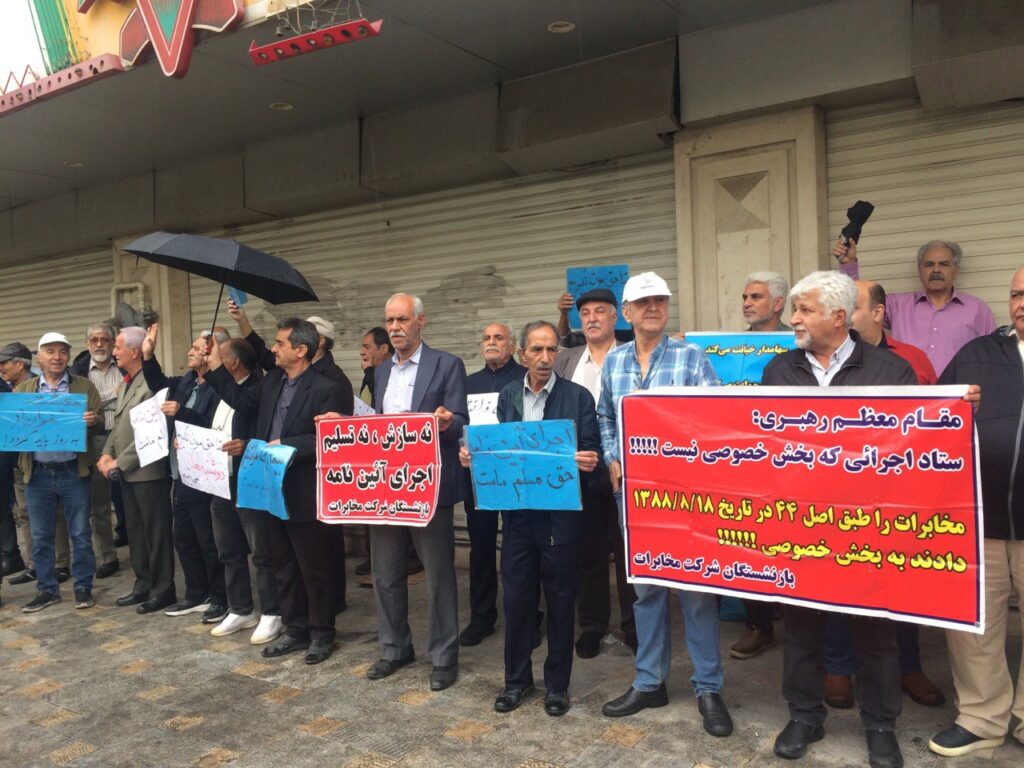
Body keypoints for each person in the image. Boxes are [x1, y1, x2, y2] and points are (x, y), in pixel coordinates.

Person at [762, 270, 917, 768]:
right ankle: (805, 716)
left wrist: (959, 406)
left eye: (804, 310)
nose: (794, 318)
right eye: (795, 309)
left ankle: (880, 725)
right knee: (801, 626)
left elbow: (913, 448)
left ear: (838, 316)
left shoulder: (891, 372)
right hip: (800, 525)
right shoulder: (778, 371)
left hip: (867, 528)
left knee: (875, 631)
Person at [597, 271, 732, 738]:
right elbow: (605, 415)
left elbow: (715, 418)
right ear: (627, 313)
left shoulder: (691, 358)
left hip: (684, 497)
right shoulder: (614, 362)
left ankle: (708, 688)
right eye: (643, 302)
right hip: (634, 497)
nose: (653, 307)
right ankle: (649, 682)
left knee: (696, 592)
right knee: (647, 591)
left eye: (660, 300)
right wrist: (612, 458)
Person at [461, 320, 600, 716]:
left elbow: (591, 448)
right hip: (518, 518)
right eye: (537, 350)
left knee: (560, 602)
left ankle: (557, 686)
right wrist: (472, 456)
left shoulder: (578, 397)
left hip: (559, 519)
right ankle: (516, 682)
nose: (545, 358)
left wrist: (587, 460)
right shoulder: (508, 396)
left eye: (552, 349)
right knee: (518, 602)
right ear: (522, 354)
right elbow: (495, 448)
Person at [821, 280, 943, 710]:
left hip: (896, 497)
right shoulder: (823, 363)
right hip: (836, 500)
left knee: (900, 583)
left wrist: (966, 403)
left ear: (877, 313)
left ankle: (908, 666)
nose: (841, 314)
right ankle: (837, 666)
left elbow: (938, 423)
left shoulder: (912, 360)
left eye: (850, 306)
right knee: (837, 580)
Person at [206, 318, 347, 665]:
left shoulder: (327, 387)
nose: (273, 349)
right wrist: (215, 366)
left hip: (304, 487)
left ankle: (321, 632)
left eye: (280, 343)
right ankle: (295, 627)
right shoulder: (272, 382)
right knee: (281, 562)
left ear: (301, 350)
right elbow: (243, 405)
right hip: (269, 486)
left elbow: (331, 440)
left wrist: (288, 444)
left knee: (313, 566)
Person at [928, 266, 1024, 757]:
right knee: (974, 626)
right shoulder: (978, 353)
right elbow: (933, 417)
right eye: (1017, 294)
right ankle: (982, 718)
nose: (1022, 304)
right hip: (979, 519)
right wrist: (954, 405)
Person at [363, 293, 468, 691]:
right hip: (385, 488)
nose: (394, 327)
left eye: (402, 319)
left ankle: (443, 657)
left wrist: (447, 421)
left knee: (438, 575)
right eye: (390, 320)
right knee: (385, 573)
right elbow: (376, 425)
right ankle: (394, 648)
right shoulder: (381, 371)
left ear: (420, 321)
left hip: (428, 487)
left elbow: (462, 419)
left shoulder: (447, 364)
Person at [553, 288, 637, 659]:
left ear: (615, 317)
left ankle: (635, 625)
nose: (591, 318)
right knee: (588, 554)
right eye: (585, 313)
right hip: (582, 471)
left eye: (600, 311)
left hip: (627, 469)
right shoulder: (566, 360)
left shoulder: (633, 355)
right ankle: (592, 626)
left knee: (629, 552)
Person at [141, 324, 228, 624]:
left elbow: (213, 426)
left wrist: (182, 413)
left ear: (213, 352)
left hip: (205, 472)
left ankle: (219, 596)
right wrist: (148, 355)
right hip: (180, 471)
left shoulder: (220, 387)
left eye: (197, 348)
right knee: (184, 537)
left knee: (208, 539)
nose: (189, 351)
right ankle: (196, 593)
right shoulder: (189, 381)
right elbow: (159, 384)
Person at [14, 332, 102, 612]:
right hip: (37, 474)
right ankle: (47, 589)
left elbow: (101, 421)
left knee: (80, 533)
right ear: (39, 357)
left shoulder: (83, 387)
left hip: (73, 472)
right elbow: (13, 428)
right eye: (50, 351)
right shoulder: (23, 391)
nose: (57, 357)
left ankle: (83, 587)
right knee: (40, 536)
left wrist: (93, 420)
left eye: (63, 352)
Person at [731, 271, 791, 661]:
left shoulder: (799, 342)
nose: (747, 303)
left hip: (792, 456)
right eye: (745, 297)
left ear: (778, 304)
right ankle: (759, 625)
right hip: (747, 459)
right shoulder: (729, 349)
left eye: (756, 297)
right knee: (751, 543)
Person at [98, 326, 177, 615]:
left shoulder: (150, 384)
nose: (113, 352)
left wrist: (120, 461)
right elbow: (118, 425)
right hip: (128, 471)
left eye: (118, 347)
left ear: (135, 351)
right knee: (136, 531)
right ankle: (143, 583)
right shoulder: (128, 381)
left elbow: (153, 431)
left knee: (156, 533)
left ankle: (163, 589)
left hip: (148, 471)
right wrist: (106, 454)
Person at [206, 338, 280, 642]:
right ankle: (240, 608)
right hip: (219, 479)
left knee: (261, 550)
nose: (212, 360)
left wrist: (247, 444)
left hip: (248, 479)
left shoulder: (256, 389)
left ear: (234, 362)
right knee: (228, 549)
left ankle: (272, 611)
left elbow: (257, 420)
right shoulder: (219, 390)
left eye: (219, 356)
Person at [834, 238, 995, 373]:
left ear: (956, 270)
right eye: (929, 264)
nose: (936, 270)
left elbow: (991, 358)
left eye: (944, 264)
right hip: (906, 391)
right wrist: (849, 264)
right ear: (920, 270)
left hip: (956, 396)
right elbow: (856, 299)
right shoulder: (896, 305)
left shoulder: (977, 310)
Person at [459, 322, 526, 647]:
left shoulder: (525, 378)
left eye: (498, 337)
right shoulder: (469, 383)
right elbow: (460, 424)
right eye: (486, 337)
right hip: (479, 476)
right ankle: (482, 617)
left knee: (520, 550)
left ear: (512, 346)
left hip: (517, 475)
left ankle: (527, 618)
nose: (491, 342)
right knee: (481, 548)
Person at [2, 342, 71, 586]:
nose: (1, 368)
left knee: (55, 513)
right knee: (24, 514)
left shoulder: (40, 386)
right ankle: (35, 565)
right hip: (17, 463)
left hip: (44, 463)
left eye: (4, 363)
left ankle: (60, 564)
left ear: (20, 364)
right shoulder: (9, 388)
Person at [71, 323, 123, 579]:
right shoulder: (77, 372)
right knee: (98, 503)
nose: (100, 344)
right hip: (96, 440)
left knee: (130, 499)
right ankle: (107, 557)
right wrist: (113, 394)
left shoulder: (124, 363)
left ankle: (137, 545)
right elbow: (81, 407)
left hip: (126, 438)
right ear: (87, 344)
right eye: (94, 340)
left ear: (113, 343)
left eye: (105, 340)